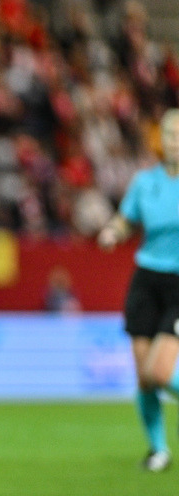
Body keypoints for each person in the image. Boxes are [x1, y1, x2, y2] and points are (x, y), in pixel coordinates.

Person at [98, 108, 179, 473]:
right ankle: (158, 450)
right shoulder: (145, 182)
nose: (175, 142)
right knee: (145, 378)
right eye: (170, 135)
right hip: (146, 281)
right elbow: (125, 218)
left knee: (160, 373)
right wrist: (112, 232)